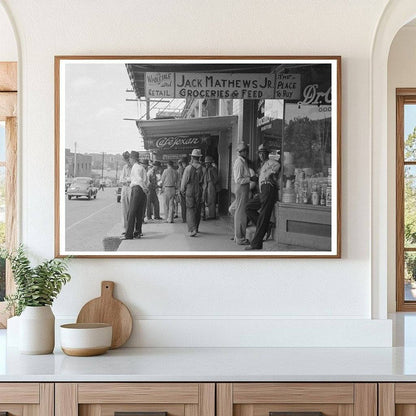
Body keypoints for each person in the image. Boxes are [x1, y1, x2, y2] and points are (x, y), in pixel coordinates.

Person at [245, 144, 281, 250]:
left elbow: (277, 168)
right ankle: (267, 225)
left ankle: (256, 244)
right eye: (260, 153)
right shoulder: (262, 166)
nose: (261, 155)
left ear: (267, 154)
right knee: (248, 207)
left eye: (263, 153)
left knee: (263, 215)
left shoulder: (272, 162)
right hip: (262, 191)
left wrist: (271, 174)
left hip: (269, 188)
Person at [123, 151, 148, 240]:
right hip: (141, 190)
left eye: (130, 158)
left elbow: (139, 179)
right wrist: (145, 189)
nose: (129, 160)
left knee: (131, 212)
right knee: (139, 212)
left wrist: (144, 188)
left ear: (133, 159)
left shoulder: (135, 167)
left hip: (137, 189)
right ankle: (137, 232)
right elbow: (144, 180)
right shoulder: (141, 167)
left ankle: (129, 234)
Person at [181, 149, 204, 237]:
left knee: (190, 209)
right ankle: (196, 227)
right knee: (197, 208)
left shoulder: (188, 168)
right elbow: (204, 182)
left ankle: (192, 229)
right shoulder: (203, 168)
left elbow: (184, 181)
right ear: (199, 158)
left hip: (190, 189)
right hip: (199, 189)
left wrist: (182, 190)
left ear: (192, 157)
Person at [233, 142, 252, 245]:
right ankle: (240, 238)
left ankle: (238, 236)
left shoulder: (243, 161)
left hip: (243, 188)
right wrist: (250, 179)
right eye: (244, 151)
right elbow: (238, 179)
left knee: (240, 212)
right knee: (241, 213)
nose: (246, 153)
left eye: (246, 151)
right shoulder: (239, 162)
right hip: (242, 188)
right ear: (241, 152)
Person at [119, 151, 132, 234]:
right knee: (124, 208)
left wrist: (127, 179)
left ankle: (132, 228)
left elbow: (133, 179)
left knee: (132, 208)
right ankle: (126, 228)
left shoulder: (134, 167)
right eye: (125, 159)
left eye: (127, 159)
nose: (127, 161)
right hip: (125, 188)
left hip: (131, 188)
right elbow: (121, 179)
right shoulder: (125, 167)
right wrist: (127, 180)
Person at [203, 155, 219, 220]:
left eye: (207, 162)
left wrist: (212, 183)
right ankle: (210, 214)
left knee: (211, 200)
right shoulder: (207, 169)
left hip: (211, 184)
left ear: (210, 163)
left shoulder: (213, 169)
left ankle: (212, 215)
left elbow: (216, 178)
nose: (206, 164)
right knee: (208, 200)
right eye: (206, 163)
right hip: (207, 184)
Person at [177, 157, 188, 222]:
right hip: (185, 188)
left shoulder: (181, 170)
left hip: (183, 188)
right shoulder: (184, 169)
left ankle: (185, 218)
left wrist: (179, 189)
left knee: (183, 204)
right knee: (185, 205)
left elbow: (180, 180)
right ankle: (185, 218)